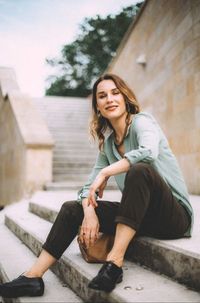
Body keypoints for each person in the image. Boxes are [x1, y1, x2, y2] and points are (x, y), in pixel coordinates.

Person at [0, 74, 193, 297]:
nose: (109, 99)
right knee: (72, 208)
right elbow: (87, 188)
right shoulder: (109, 145)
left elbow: (149, 153)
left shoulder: (142, 121)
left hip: (174, 217)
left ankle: (114, 263)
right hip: (142, 218)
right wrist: (89, 210)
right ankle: (32, 277)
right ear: (98, 107)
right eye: (102, 96)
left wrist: (107, 171)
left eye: (114, 93)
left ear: (125, 98)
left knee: (140, 169)